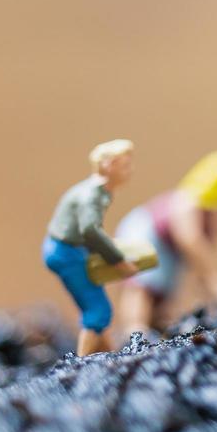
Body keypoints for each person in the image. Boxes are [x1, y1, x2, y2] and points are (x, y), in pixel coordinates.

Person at [115, 150, 217, 337]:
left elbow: (203, 266)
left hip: (168, 251)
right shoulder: (186, 205)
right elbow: (193, 248)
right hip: (145, 235)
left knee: (164, 293)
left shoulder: (209, 217)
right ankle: (135, 331)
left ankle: (154, 330)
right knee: (143, 284)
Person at [42, 139, 140, 355]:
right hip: (66, 252)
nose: (129, 171)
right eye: (124, 166)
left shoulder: (99, 190)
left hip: (69, 247)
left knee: (95, 303)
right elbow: (91, 230)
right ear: (108, 166)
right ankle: (78, 366)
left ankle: (111, 355)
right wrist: (118, 261)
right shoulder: (92, 196)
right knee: (97, 310)